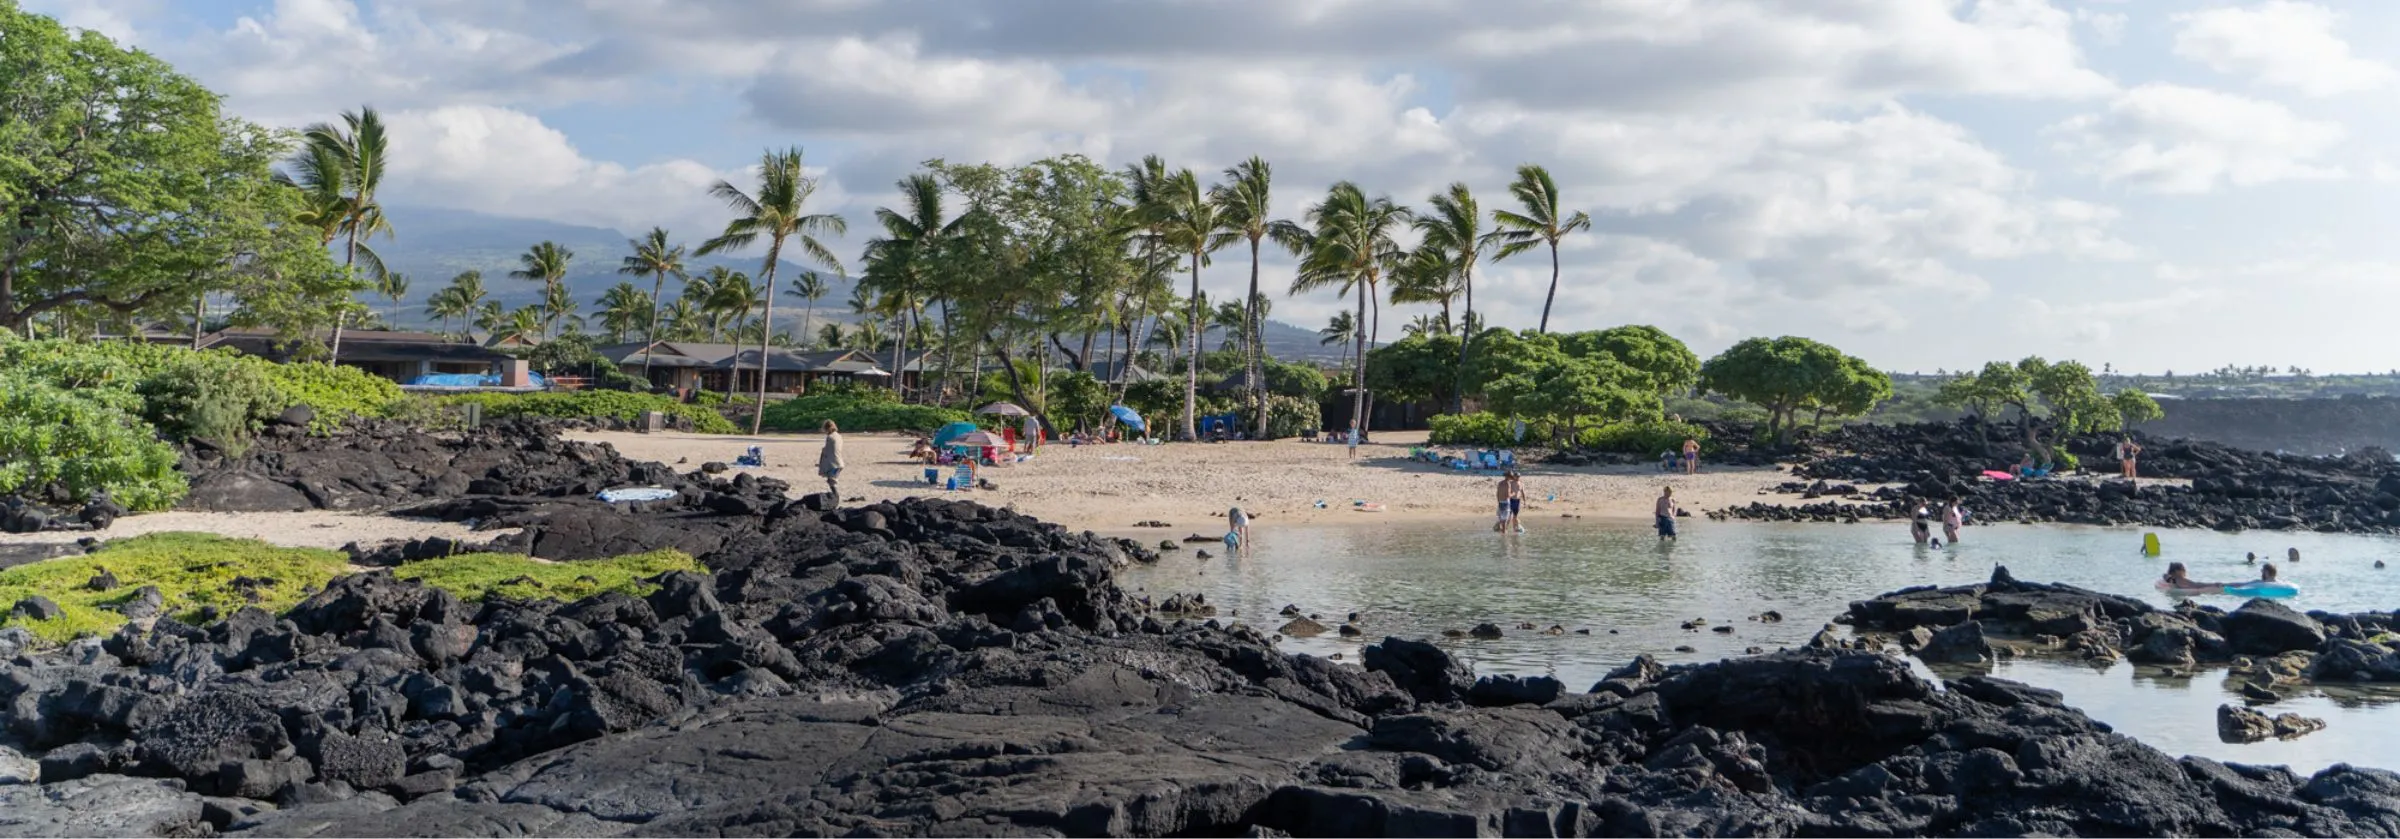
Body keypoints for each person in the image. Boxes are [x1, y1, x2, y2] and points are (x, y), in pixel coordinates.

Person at [817, 420, 845, 505]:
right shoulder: (839, 436)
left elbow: (827, 452)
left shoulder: (830, 437)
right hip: (839, 463)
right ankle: (835, 497)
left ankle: (836, 498)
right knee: (832, 480)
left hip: (834, 464)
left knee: (831, 481)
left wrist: (821, 464)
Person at [2161, 562, 2225, 591]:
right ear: (2177, 571)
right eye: (2183, 569)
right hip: (2195, 587)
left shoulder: (2170, 578)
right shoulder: (2180, 579)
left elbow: (2164, 575)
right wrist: (2213, 585)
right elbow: (2196, 585)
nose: (2185, 570)